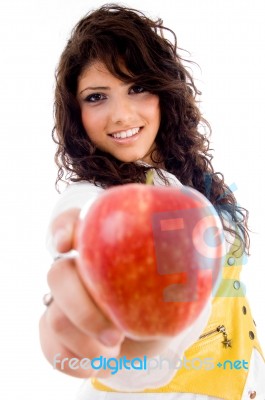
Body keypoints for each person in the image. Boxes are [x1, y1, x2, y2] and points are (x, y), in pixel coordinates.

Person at [39, 4, 265, 399]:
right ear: (76, 112)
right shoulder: (94, 197)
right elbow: (80, 226)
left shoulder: (192, 177)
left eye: (137, 87)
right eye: (96, 97)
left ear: (164, 91)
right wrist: (128, 347)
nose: (121, 115)